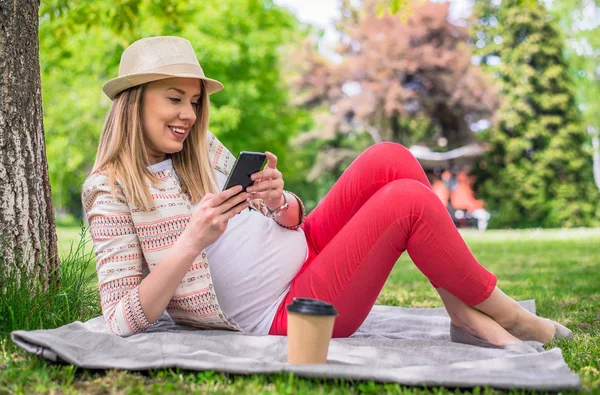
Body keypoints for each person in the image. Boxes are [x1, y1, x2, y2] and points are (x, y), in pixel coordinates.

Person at [82, 36, 572, 350]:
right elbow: (123, 318)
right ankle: (511, 317)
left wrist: (280, 202)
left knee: (390, 157)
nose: (188, 114)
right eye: (174, 99)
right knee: (409, 202)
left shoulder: (200, 148)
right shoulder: (109, 188)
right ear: (134, 100)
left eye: (193, 101)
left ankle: (463, 313)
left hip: (308, 247)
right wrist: (191, 241)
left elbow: (285, 217)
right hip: (290, 309)